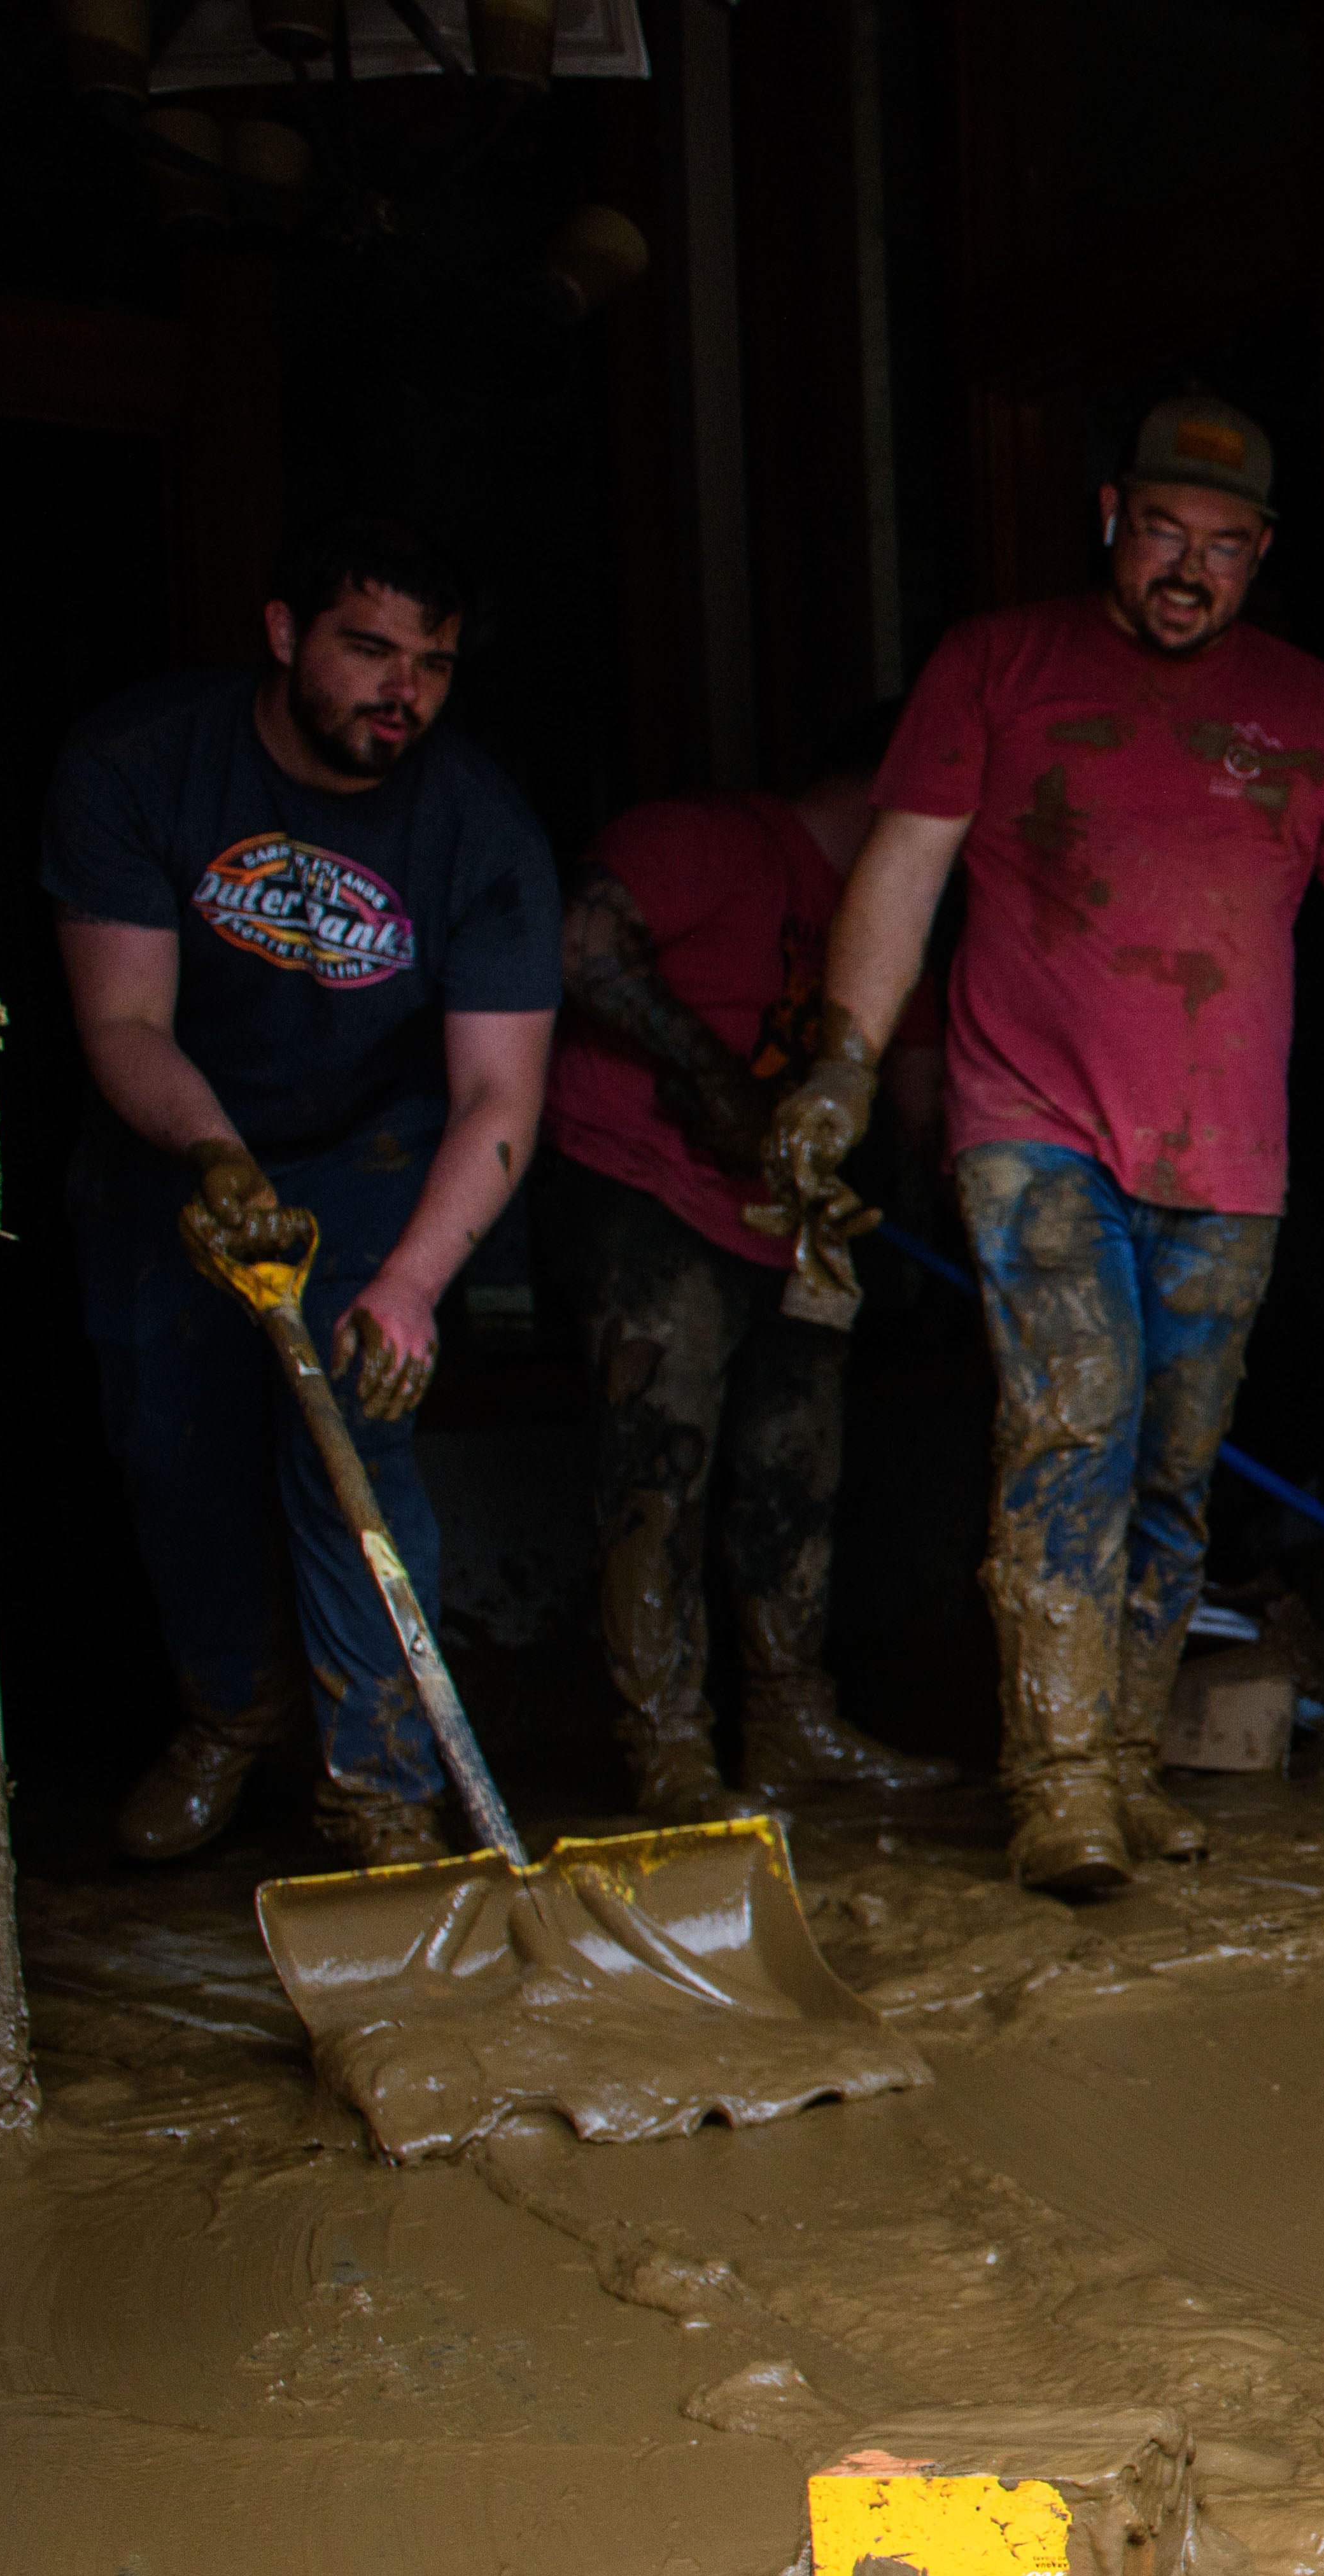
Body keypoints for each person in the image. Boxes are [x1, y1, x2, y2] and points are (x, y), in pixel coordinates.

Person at [770, 395, 1324, 1899]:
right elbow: (902, 874)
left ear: (1260, 558)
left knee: (1173, 1467)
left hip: (1224, 1155)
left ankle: (1116, 1761)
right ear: (1111, 515)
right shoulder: (997, 665)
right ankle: (1055, 1786)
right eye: (1167, 532)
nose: (1192, 568)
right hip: (1031, 1126)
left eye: (1226, 546)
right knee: (1074, 1423)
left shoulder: (1307, 710)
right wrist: (841, 1070)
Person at [48, 515, 559, 1868]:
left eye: (434, 664)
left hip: (373, 1155)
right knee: (177, 1446)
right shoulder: (140, 765)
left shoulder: (480, 827)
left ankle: (381, 1797)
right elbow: (123, 1022)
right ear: (284, 632)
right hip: (171, 1142)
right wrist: (218, 1161)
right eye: (369, 648)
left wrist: (410, 1283)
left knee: (358, 1453)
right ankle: (230, 1712)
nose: (404, 690)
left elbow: (500, 1092)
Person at [542, 709, 959, 1815]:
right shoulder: (706, 839)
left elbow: (917, 1084)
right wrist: (708, 1073)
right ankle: (670, 1748)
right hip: (650, 1189)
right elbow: (576, 942)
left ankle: (790, 1724)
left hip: (795, 1223)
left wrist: (978, 1207)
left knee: (795, 1469)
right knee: (657, 1468)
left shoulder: (900, 920)